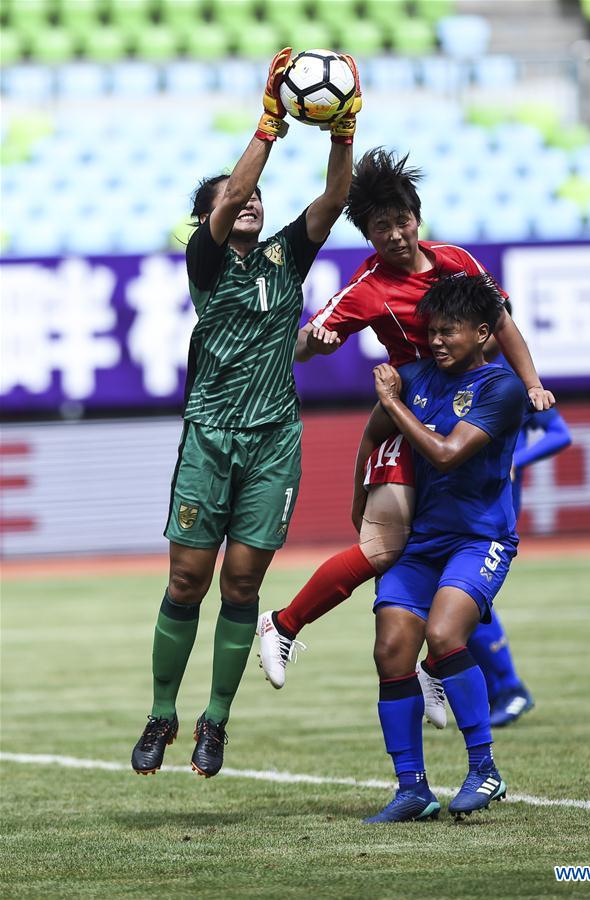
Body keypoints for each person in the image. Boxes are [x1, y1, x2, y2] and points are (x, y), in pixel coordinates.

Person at [130, 47, 361, 778]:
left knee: (241, 587)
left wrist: (342, 136)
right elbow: (230, 196)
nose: (251, 204)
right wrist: (269, 124)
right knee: (186, 583)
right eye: (235, 201)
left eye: (258, 199)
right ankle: (162, 712)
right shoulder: (207, 263)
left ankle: (215, 722)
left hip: (273, 445)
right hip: (209, 440)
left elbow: (329, 205)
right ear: (207, 220)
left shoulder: (285, 260)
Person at [257, 148, 554, 688]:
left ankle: (433, 664)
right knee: (383, 549)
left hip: (466, 411)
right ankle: (283, 623)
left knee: (457, 544)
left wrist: (532, 383)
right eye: (380, 227)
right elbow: (304, 343)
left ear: (417, 218)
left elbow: (503, 324)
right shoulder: (368, 286)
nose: (394, 234)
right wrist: (314, 341)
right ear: (368, 235)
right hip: (410, 411)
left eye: (401, 221)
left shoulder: (458, 263)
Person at [362, 272, 527, 822]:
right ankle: (412, 788)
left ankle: (484, 768)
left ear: (484, 333)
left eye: (448, 331)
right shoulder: (416, 377)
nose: (435, 341)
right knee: (390, 652)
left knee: (443, 633)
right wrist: (361, 500)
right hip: (422, 542)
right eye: (431, 331)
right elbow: (373, 432)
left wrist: (393, 400)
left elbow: (446, 453)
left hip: (481, 538)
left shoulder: (501, 389)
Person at [420, 300, 573, 730]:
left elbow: (560, 433)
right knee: (453, 599)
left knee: (465, 597)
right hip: (452, 505)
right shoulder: (445, 376)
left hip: (491, 504)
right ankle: (495, 690)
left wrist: (516, 459)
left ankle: (509, 688)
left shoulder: (512, 380)